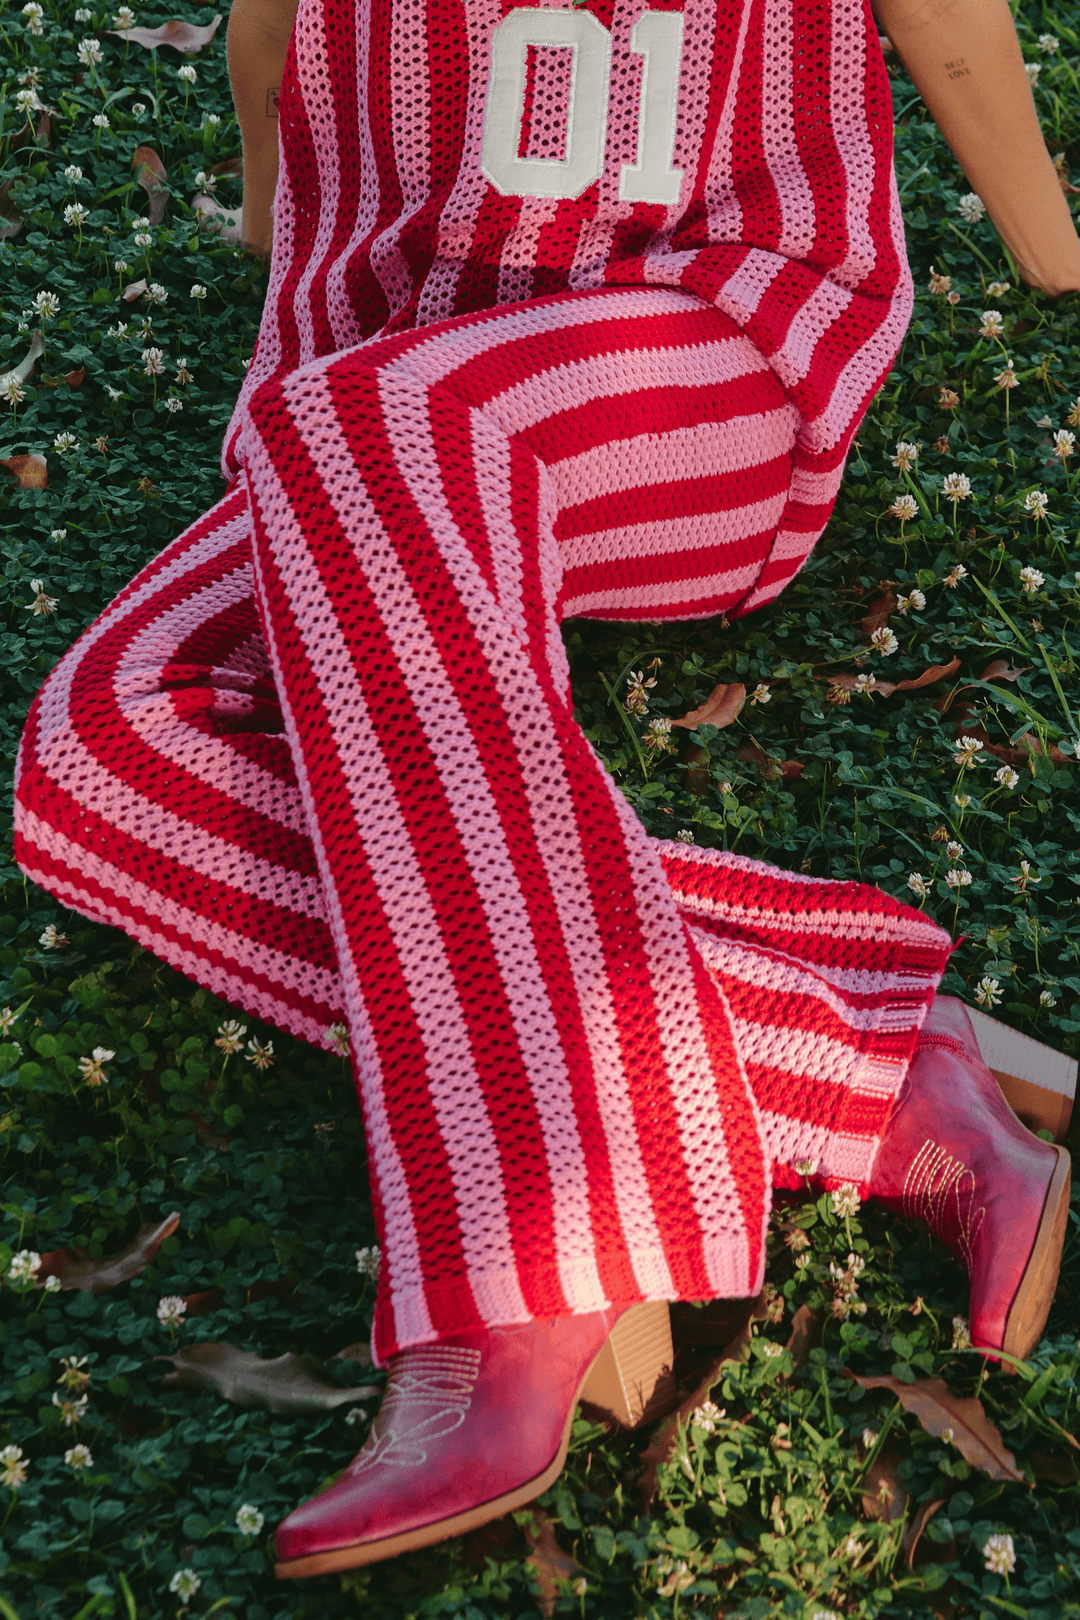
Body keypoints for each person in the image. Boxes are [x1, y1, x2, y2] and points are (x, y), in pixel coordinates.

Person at [13, 0, 1076, 1581]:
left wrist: (1052, 250)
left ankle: (537, 1255)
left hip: (702, 346)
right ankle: (874, 1074)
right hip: (392, 370)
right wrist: (269, 206)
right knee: (102, 748)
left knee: (365, 422)